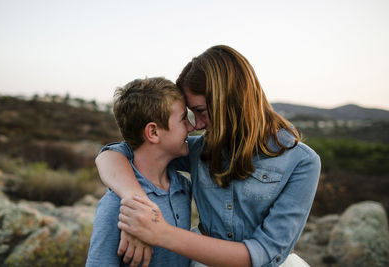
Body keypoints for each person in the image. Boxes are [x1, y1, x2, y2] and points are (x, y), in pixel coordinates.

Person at [96, 45, 321, 267]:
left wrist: (158, 232)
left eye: (201, 111)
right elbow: (117, 152)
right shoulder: (199, 149)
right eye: (190, 115)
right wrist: (137, 204)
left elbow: (265, 253)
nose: (198, 125)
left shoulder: (302, 162)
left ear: (232, 101)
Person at [86, 77, 194, 267]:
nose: (191, 127)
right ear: (153, 132)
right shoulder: (116, 205)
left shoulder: (182, 187)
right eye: (183, 119)